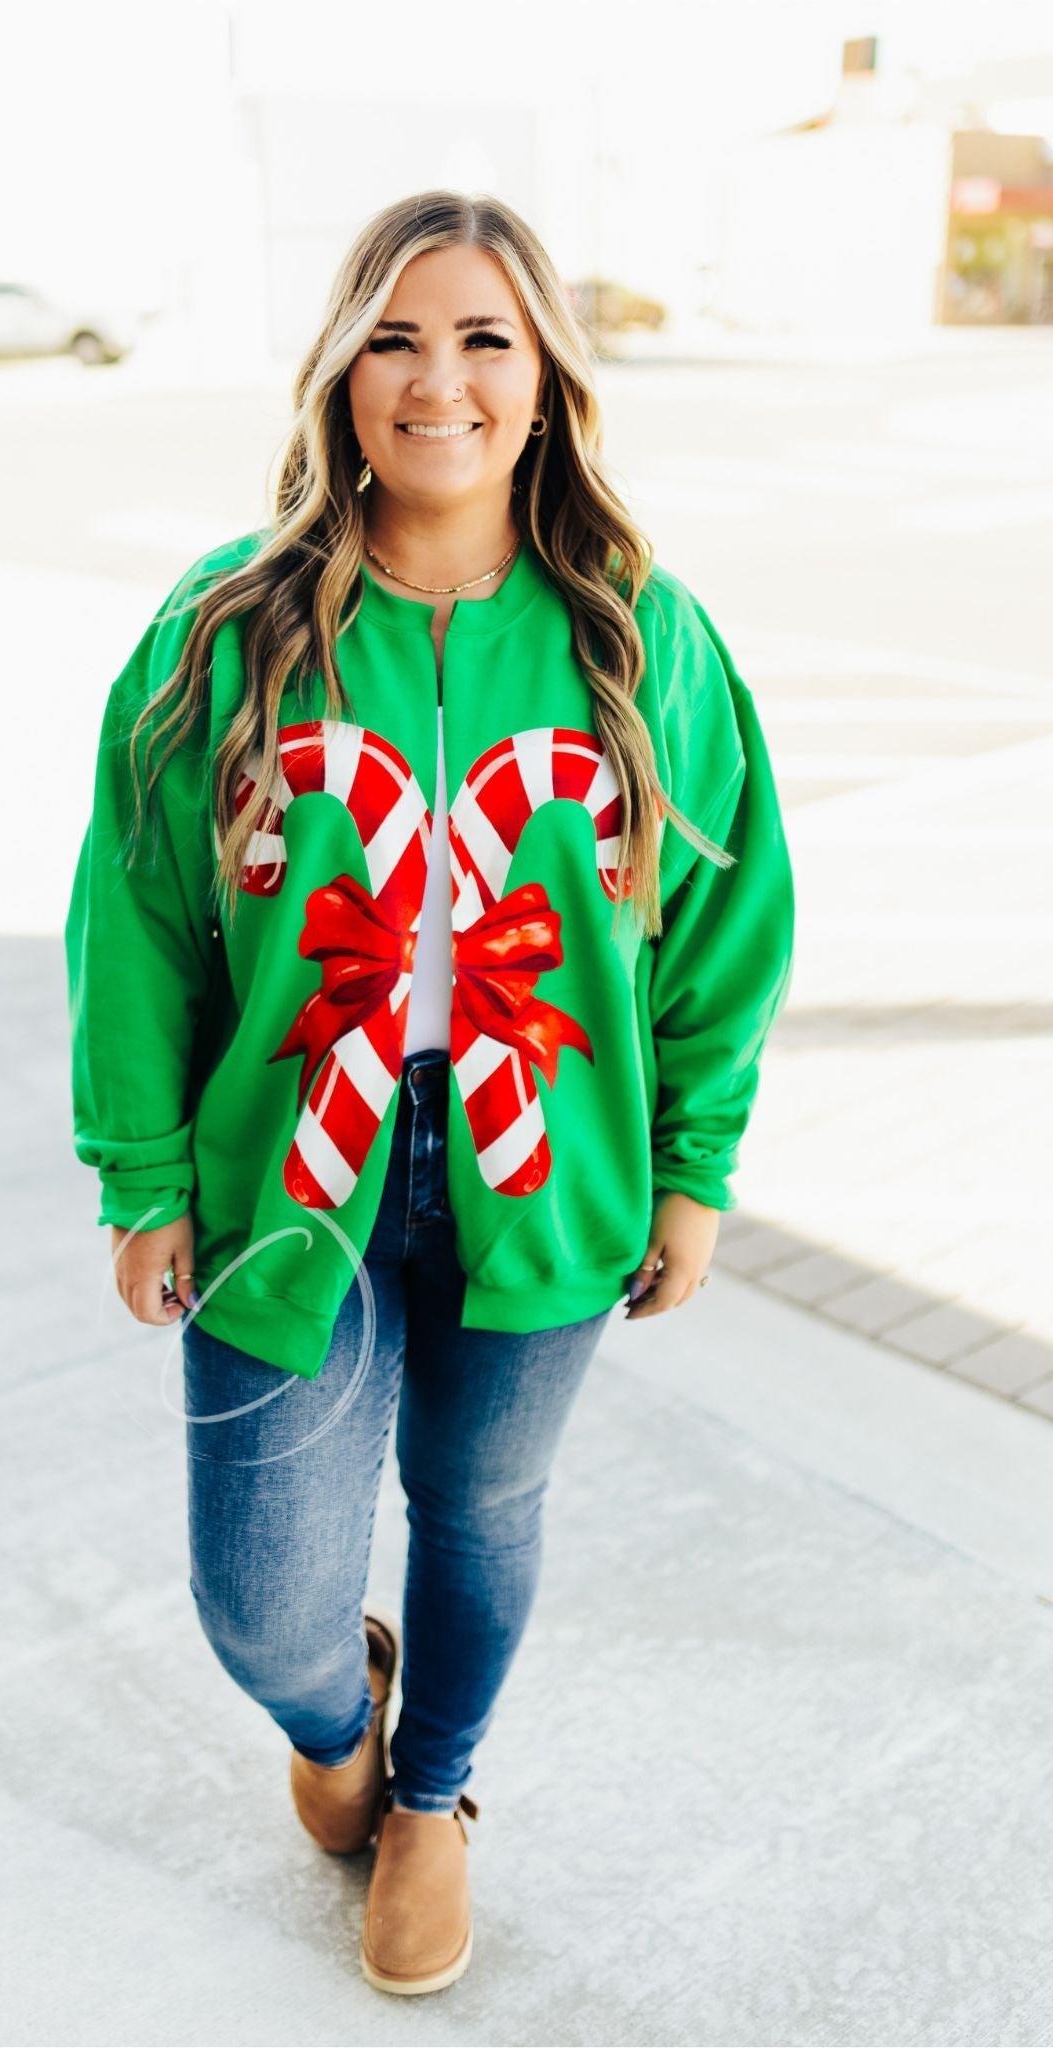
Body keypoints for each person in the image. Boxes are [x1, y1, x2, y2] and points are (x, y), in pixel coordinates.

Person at [64, 189, 795, 1997]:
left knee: (481, 1510)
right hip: (287, 1181)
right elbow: (139, 914)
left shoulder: (641, 636)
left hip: (541, 1180)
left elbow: (724, 920)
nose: (439, 378)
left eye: (484, 337)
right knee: (259, 1596)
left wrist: (694, 1169)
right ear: (339, 369)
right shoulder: (228, 628)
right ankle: (339, 1728)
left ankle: (436, 1800)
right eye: (396, 334)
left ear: (544, 380)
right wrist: (143, 1170)